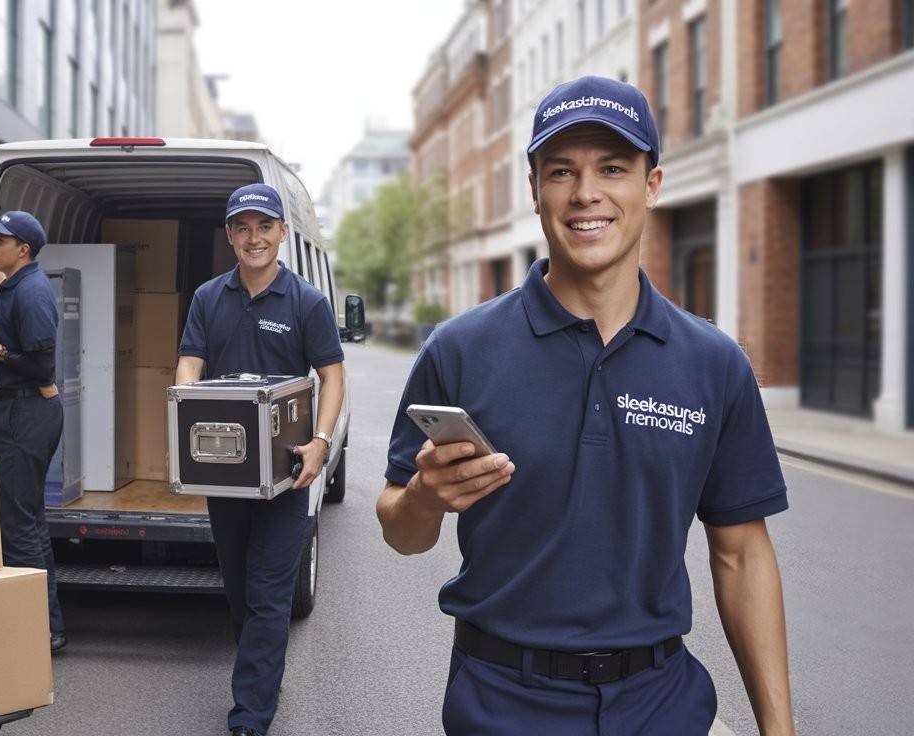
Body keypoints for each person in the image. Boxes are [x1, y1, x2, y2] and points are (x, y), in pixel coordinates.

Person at [376, 76, 796, 736]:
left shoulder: (714, 365)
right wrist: (427, 499)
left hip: (663, 706)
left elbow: (742, 555)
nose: (585, 193)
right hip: (501, 704)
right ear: (534, 189)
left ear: (651, 184)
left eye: (612, 168)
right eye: (561, 171)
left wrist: (780, 730)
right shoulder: (459, 350)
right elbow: (401, 530)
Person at [175, 183, 346, 736]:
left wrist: (320, 442)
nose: (254, 238)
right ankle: (261, 674)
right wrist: (185, 414)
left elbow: (332, 376)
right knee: (240, 589)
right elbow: (189, 363)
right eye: (243, 228)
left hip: (285, 475)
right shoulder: (208, 297)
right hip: (224, 474)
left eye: (264, 227)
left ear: (281, 234)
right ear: (230, 236)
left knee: (270, 594)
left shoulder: (307, 303)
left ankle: (250, 715)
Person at [0, 211, 67, 652]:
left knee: (17, 525)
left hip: (27, 416)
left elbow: (43, 366)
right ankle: (49, 625)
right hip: (20, 413)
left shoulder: (33, 295)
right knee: (29, 520)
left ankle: (34, 631)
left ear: (22, 249)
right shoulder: (16, 282)